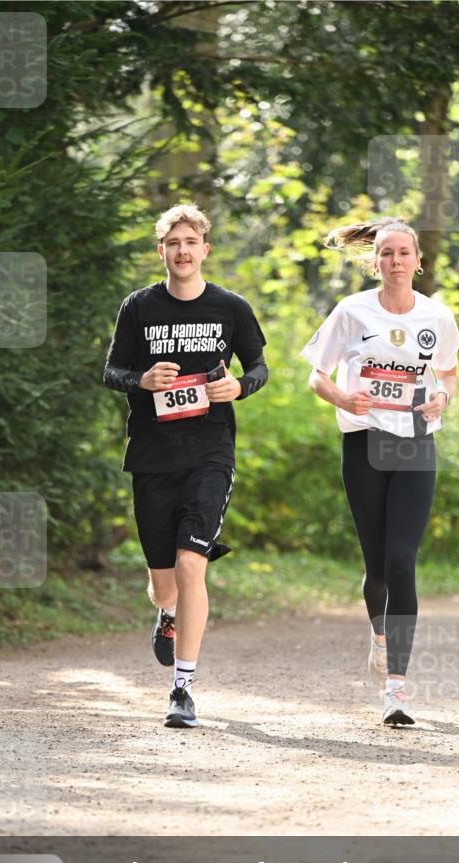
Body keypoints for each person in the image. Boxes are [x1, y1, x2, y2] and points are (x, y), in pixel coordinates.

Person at [103, 203, 267, 728]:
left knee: (192, 563)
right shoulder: (138, 307)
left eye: (190, 242)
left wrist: (239, 386)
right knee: (164, 581)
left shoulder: (231, 307)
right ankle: (167, 612)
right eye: (173, 243)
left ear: (205, 249)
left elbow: (259, 367)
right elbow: (112, 369)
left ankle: (182, 689)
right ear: (162, 251)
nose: (182, 251)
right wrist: (141, 380)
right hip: (152, 456)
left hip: (209, 452)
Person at [301, 217, 459, 726]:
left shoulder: (438, 317)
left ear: (417, 261)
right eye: (386, 253)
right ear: (375, 262)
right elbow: (316, 377)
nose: (395, 261)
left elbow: (448, 374)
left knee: (401, 561)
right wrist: (343, 397)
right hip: (364, 442)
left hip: (415, 444)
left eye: (403, 253)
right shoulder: (352, 311)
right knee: (376, 569)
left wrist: (442, 398)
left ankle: (396, 689)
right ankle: (379, 636)